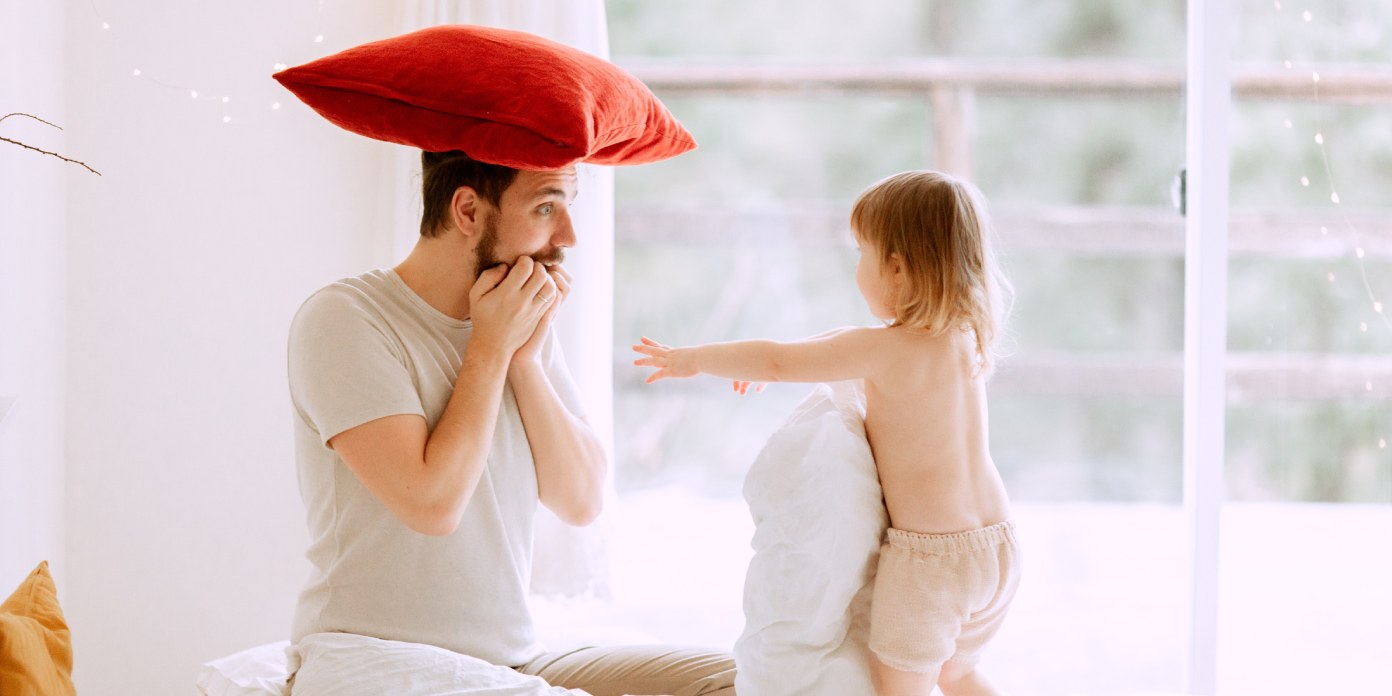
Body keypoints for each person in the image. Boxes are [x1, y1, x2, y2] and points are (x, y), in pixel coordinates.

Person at [287, 149, 736, 695]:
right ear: (469, 212)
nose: (568, 235)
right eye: (547, 207)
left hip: (511, 660)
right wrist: (490, 348)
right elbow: (432, 503)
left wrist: (523, 359)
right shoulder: (345, 318)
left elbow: (582, 500)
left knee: (738, 680)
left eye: (569, 206)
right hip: (373, 657)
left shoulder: (513, 320)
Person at [633, 170, 1019, 696]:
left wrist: (694, 359)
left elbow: (777, 358)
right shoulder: (965, 338)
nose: (857, 266)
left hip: (931, 563)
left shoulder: (884, 351)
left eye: (862, 252)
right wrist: (766, 365)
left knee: (900, 688)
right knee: (960, 673)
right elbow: (825, 345)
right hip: (998, 548)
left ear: (898, 269)